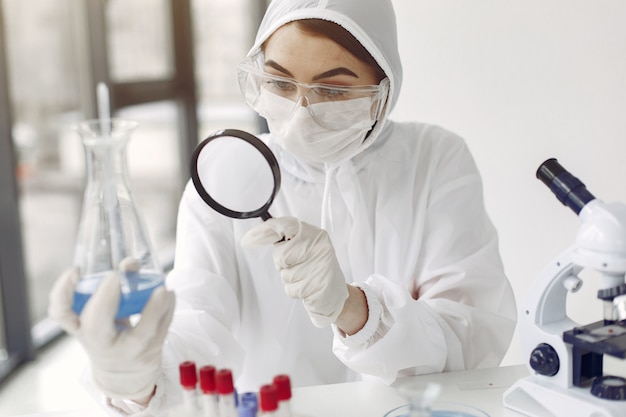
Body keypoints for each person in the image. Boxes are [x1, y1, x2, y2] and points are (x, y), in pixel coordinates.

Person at [48, 0, 517, 414]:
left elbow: (471, 343)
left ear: (384, 88)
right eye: (279, 81)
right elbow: (199, 320)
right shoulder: (228, 173)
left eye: (333, 90)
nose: (300, 110)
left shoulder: (434, 160)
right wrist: (139, 376)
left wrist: (355, 309)